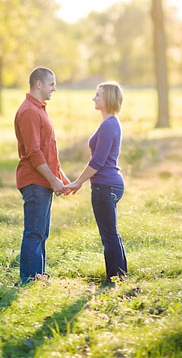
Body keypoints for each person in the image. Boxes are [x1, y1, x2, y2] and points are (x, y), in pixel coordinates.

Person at [66, 81, 128, 282]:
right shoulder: (110, 123)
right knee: (111, 235)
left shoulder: (109, 125)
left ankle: (116, 278)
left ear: (108, 98)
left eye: (98, 95)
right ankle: (119, 276)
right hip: (108, 185)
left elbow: (98, 161)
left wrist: (78, 182)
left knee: (109, 236)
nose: (94, 98)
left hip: (105, 186)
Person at [14, 67, 71, 284]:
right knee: (34, 232)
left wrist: (61, 178)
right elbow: (34, 153)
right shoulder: (29, 111)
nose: (54, 89)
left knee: (42, 232)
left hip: (44, 181)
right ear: (38, 84)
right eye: (51, 84)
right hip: (34, 181)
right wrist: (52, 179)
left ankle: (39, 275)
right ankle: (30, 279)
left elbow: (48, 150)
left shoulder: (39, 109)